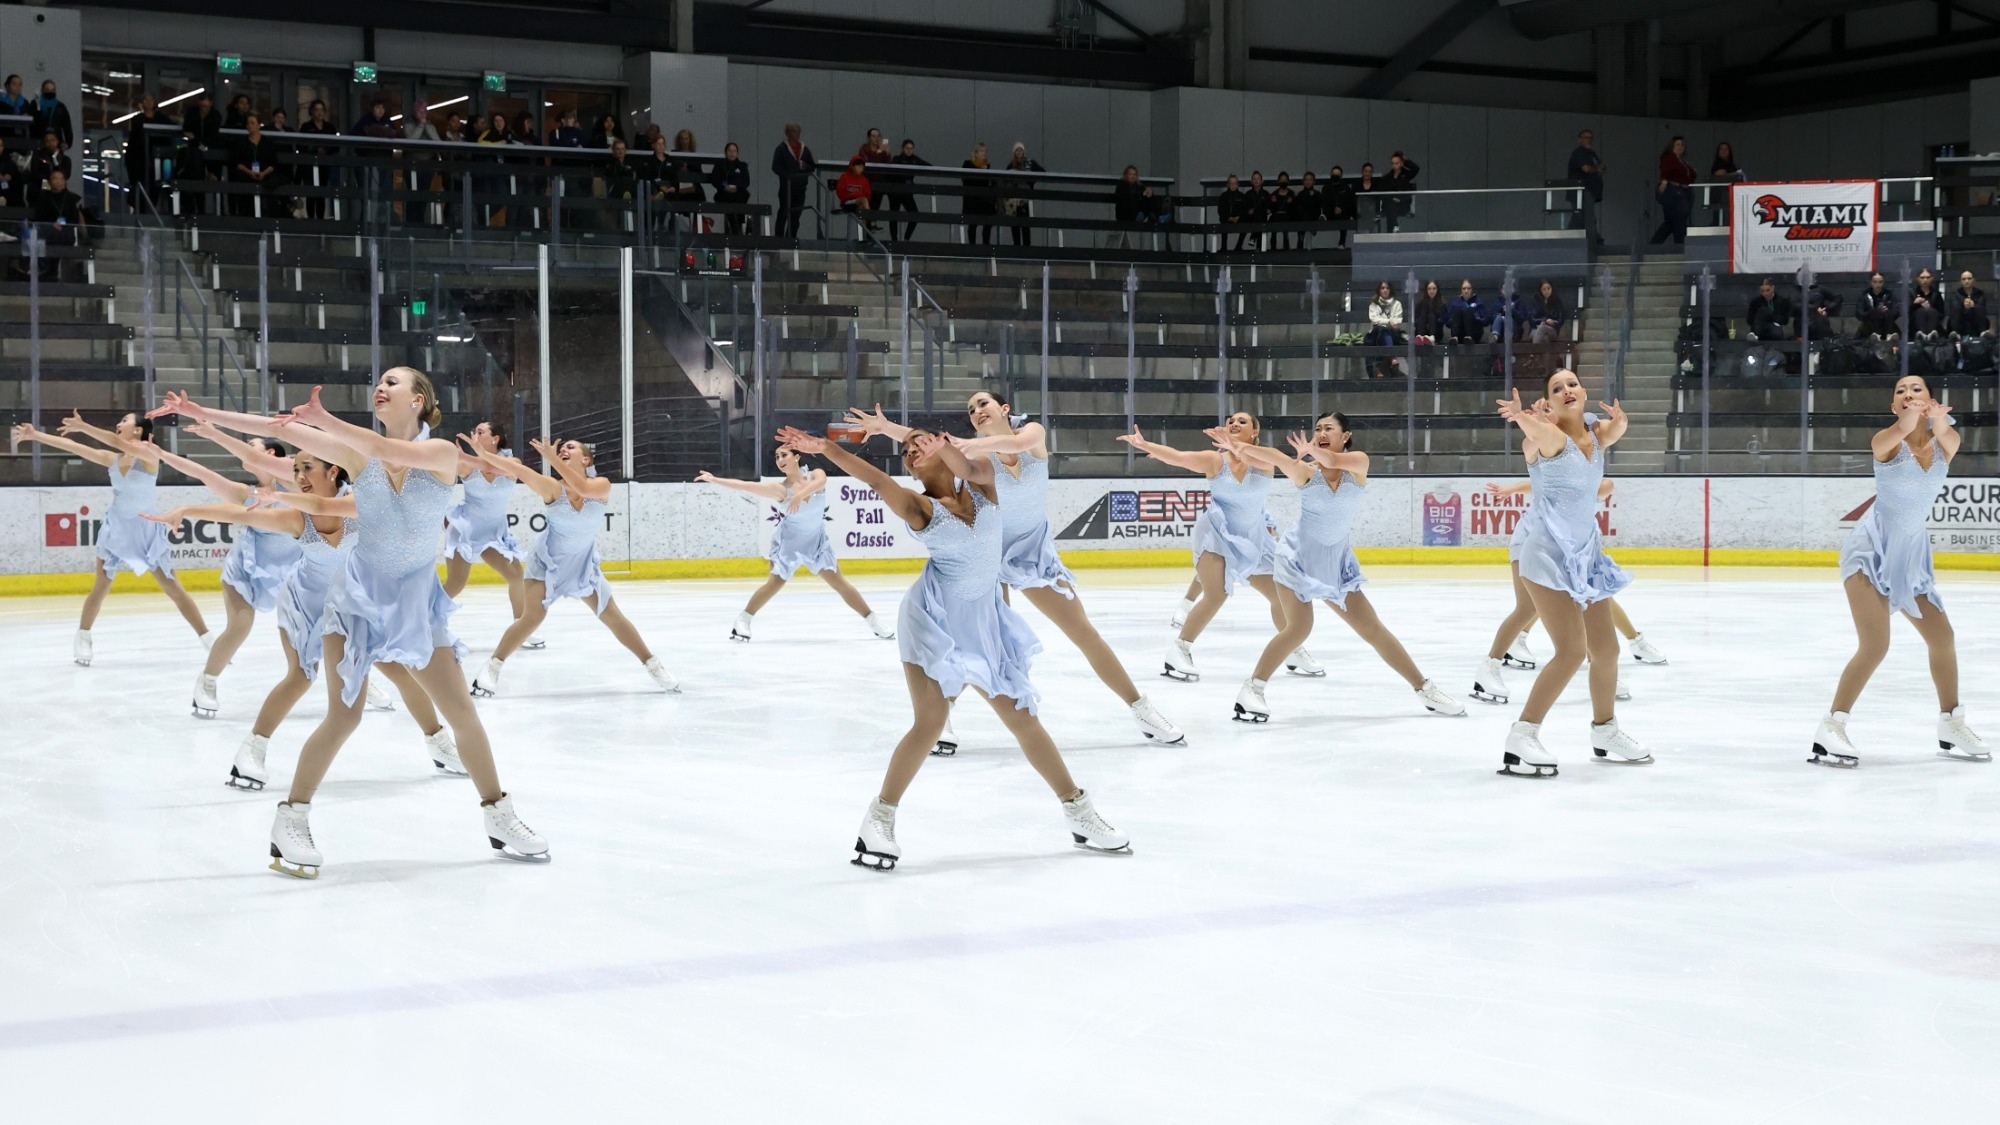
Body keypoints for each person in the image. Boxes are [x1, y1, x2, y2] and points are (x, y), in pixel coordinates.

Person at [148, 374, 550, 876]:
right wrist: (206, 416)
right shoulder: (358, 457)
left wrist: (325, 422)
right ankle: (290, 819)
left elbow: (387, 449)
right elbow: (285, 431)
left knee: (462, 714)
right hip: (355, 603)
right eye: (379, 382)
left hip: (417, 604)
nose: (380, 386)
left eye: (393, 382)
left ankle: (499, 814)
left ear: (418, 399)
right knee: (345, 716)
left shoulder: (442, 452)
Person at [772, 423, 1132, 871]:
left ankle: (1080, 813)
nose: (911, 450)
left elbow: (973, 461)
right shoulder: (919, 505)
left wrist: (944, 443)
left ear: (945, 444)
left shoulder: (985, 485)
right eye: (906, 450)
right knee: (931, 722)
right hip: (935, 619)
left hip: (985, 623)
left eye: (920, 440)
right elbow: (876, 480)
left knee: (1023, 717)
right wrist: (826, 448)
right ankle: (878, 819)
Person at [846, 395, 1184, 748]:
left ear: (1005, 409)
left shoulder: (1031, 435)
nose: (976, 412)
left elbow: (1015, 442)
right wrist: (889, 429)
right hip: (988, 557)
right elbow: (927, 445)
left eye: (982, 404)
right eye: (970, 410)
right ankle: (941, 717)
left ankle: (1141, 708)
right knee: (979, 644)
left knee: (1083, 632)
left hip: (1033, 554)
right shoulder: (974, 457)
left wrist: (959, 443)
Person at [145, 453, 466, 791]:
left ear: (333, 470)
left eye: (307, 468)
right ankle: (252, 750)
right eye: (295, 470)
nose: (299, 475)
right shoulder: (298, 519)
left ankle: (438, 741)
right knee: (300, 676)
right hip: (306, 606)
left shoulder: (361, 507)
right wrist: (186, 510)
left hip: (354, 605)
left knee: (399, 670)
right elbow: (240, 514)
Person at [1212, 415, 1464, 725]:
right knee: (1299, 628)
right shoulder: (1305, 472)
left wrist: (1311, 450)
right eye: (1317, 429)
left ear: (1346, 435)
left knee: (1373, 629)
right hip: (1297, 560)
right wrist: (1236, 445)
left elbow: (1331, 458)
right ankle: (1252, 689)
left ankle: (1425, 689)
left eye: (1327, 428)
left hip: (1336, 565)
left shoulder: (1357, 463)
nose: (1320, 433)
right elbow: (1276, 458)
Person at [1811, 375, 1982, 767]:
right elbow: (1905, 430)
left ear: (1931, 399)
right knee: (1876, 645)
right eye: (1901, 392)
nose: (1908, 394)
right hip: (1870, 550)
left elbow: (1947, 437)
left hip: (1911, 554)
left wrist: (1938, 422)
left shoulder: (1945, 446)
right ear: (1893, 407)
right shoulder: (1884, 441)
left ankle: (1951, 723)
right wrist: (1915, 418)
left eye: (1916, 389)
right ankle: (1832, 726)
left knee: (1943, 638)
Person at [1491, 374, 1651, 777]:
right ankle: (1523, 733)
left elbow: (1616, 430)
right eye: (1557, 388)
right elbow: (1534, 432)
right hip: (1546, 556)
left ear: (1583, 394)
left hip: (1586, 556)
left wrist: (1622, 420)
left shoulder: (1595, 439)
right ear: (1549, 402)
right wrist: (1519, 416)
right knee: (1571, 651)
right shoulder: (1549, 437)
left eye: (1572, 383)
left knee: (1608, 651)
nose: (1567, 390)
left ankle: (1605, 730)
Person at [464, 437, 679, 699]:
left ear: (586, 459)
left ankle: (653, 665)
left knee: (612, 616)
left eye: (571, 447)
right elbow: (519, 471)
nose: (564, 449)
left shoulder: (601, 486)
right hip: (548, 563)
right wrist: (481, 455)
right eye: (562, 447)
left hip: (582, 565)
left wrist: (553, 459)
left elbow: (582, 487)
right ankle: (492, 667)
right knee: (531, 618)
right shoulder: (553, 488)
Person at [1118, 414, 1318, 683]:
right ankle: (1179, 650)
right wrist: (1145, 445)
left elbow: (1266, 459)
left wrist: (1235, 446)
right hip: (1217, 533)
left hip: (1254, 539)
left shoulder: (1264, 461)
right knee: (1216, 594)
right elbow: (1177, 457)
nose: (1234, 423)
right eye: (1231, 421)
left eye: (1242, 422)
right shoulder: (1215, 461)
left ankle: (1291, 648)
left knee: (1280, 595)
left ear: (1255, 432)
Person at [11, 413, 211, 665]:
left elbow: (120, 444)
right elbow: (75, 447)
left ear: (138, 430)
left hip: (146, 531)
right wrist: (35, 435)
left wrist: (84, 426)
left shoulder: (150, 456)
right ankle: (83, 636)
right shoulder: (112, 460)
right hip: (115, 528)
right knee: (101, 585)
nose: (118, 424)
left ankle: (208, 639)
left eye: (125, 421)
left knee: (173, 588)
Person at [147, 422, 303, 719]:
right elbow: (201, 473)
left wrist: (216, 433)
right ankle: (207, 682)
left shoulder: (294, 484)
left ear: (271, 453)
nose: (245, 452)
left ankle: (356, 681)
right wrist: (161, 453)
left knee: (322, 628)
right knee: (240, 627)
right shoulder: (246, 493)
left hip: (292, 572)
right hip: (245, 569)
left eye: (253, 446)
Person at [1472, 472, 1657, 707]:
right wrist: (1512, 490)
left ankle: (1599, 669)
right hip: (1533, 541)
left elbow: (1601, 487)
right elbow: (1541, 483)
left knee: (1589, 602)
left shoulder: (1593, 479)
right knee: (1528, 607)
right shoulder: (1560, 468)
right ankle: (1490, 667)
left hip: (1571, 551)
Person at [695, 448, 894, 643]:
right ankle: (743, 619)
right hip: (790, 543)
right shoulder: (780, 489)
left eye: (784, 455)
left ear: (796, 457)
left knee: (840, 584)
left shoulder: (816, 473)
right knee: (775, 584)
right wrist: (715, 479)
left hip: (816, 541)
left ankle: (874, 622)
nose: (780, 459)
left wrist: (799, 495)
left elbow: (822, 482)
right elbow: (744, 486)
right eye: (777, 457)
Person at [441, 420, 533, 646]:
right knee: (456, 584)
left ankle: (520, 629)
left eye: (480, 432)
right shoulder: (468, 465)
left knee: (516, 576)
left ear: (496, 438)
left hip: (493, 534)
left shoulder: (513, 462)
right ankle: (422, 621)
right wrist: (460, 457)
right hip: (467, 530)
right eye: (474, 431)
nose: (475, 434)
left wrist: (475, 454)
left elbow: (495, 467)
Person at [229, 114, 283, 216]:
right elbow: (236, 161)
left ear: (259, 125)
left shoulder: (268, 142)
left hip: (264, 173)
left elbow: (273, 163)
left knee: (273, 181)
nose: (249, 125)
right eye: (248, 123)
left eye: (252, 123)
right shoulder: (241, 142)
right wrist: (249, 172)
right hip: (247, 173)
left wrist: (263, 173)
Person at [1650, 135, 1696, 247]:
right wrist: (1664, 181)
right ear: (1672, 147)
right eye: (1677, 145)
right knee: (1679, 220)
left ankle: (1654, 244)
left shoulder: (1682, 161)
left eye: (1682, 145)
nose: (1680, 147)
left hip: (1682, 192)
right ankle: (1680, 247)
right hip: (1674, 192)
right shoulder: (1669, 158)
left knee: (1671, 222)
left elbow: (1691, 176)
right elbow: (1665, 170)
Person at [296, 99, 337, 220]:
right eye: (316, 109)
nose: (319, 113)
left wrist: (326, 150)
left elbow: (336, 145)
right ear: (311, 112)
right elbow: (301, 145)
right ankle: (310, 219)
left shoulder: (330, 127)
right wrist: (314, 150)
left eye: (321, 110)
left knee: (321, 192)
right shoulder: (306, 127)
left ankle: (320, 219)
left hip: (324, 164)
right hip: (310, 165)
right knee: (311, 192)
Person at [770, 123, 813, 239]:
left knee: (796, 214)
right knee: (784, 211)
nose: (797, 134)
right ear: (788, 133)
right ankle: (779, 237)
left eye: (798, 131)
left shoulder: (805, 150)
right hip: (786, 186)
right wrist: (787, 175)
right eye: (794, 131)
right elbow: (775, 166)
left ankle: (791, 236)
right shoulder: (781, 149)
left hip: (801, 187)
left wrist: (805, 166)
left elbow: (812, 166)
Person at [125, 93, 165, 206]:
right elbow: (135, 141)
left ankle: (152, 208)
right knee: (141, 187)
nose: (149, 102)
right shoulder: (138, 120)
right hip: (140, 160)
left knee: (154, 186)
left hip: (155, 158)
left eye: (151, 99)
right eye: (146, 100)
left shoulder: (160, 118)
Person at [883, 138, 928, 240]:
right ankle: (894, 240)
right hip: (895, 192)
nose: (909, 150)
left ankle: (906, 239)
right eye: (907, 148)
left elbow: (928, 166)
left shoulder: (915, 159)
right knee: (894, 215)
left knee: (914, 215)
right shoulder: (897, 159)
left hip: (907, 192)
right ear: (903, 148)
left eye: (911, 148)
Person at [1000, 142, 1043, 247]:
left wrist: (1031, 182)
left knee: (1025, 223)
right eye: (1017, 150)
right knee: (1015, 224)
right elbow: (1005, 181)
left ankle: (1026, 247)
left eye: (1021, 150)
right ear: (1014, 153)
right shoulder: (1010, 165)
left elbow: (1042, 172)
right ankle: (1016, 247)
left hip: (1024, 199)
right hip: (1013, 200)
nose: (1019, 152)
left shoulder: (1030, 163)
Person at [1111, 164, 1162, 249]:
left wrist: (1150, 192)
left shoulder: (1138, 186)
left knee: (1150, 197)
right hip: (1125, 215)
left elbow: (1143, 193)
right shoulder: (1121, 186)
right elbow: (1126, 199)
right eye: (1130, 174)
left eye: (1134, 174)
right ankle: (1155, 216)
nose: (1132, 176)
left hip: (1137, 214)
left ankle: (1157, 215)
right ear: (1126, 175)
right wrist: (1141, 195)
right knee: (1140, 199)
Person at [711, 141, 752, 235]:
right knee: (728, 201)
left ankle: (741, 224)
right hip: (724, 192)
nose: (732, 153)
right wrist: (724, 187)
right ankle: (734, 225)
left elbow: (746, 181)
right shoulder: (720, 166)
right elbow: (715, 179)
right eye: (730, 150)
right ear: (726, 152)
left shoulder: (742, 166)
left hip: (739, 192)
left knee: (741, 197)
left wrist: (737, 187)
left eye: (734, 151)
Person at [961, 141, 996, 245]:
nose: (984, 153)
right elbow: (966, 181)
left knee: (988, 222)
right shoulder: (968, 164)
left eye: (985, 151)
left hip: (985, 200)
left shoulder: (987, 166)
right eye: (981, 151)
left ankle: (986, 245)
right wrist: (981, 171)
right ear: (976, 153)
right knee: (973, 224)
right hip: (972, 200)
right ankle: (973, 247)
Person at [834, 156, 874, 236]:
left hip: (859, 203)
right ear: (852, 166)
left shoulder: (864, 180)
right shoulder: (844, 177)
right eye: (859, 166)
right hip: (847, 203)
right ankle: (872, 222)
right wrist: (854, 195)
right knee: (863, 200)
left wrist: (858, 196)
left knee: (862, 209)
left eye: (862, 167)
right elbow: (840, 193)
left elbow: (868, 194)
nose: (861, 169)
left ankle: (863, 237)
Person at [1383, 150, 1419, 232]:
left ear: (1401, 163)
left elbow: (1416, 169)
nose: (1394, 166)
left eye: (1397, 163)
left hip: (1403, 204)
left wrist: (1405, 160)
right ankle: (1394, 228)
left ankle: (1393, 228)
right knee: (1390, 206)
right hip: (1390, 204)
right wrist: (1392, 198)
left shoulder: (1406, 175)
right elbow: (1383, 191)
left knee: (1390, 208)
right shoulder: (1387, 177)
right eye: (1393, 163)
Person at [1445, 279, 1491, 344]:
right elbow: (1447, 322)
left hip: (1474, 332)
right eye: (1464, 288)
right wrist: (1456, 320)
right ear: (1461, 290)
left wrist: (1476, 318)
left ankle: (1469, 337)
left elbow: (1487, 320)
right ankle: (1455, 337)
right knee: (1458, 311)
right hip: (1460, 333)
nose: (1466, 291)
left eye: (1468, 288)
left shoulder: (1479, 303)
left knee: (1468, 311)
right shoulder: (1455, 304)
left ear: (1472, 290)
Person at [33, 80, 73, 151]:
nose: (50, 92)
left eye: (53, 90)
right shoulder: (35, 104)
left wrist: (68, 143)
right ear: (42, 90)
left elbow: (67, 126)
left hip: (57, 144)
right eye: (47, 89)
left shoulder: (60, 107)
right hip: (38, 143)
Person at [1949, 270, 1992, 337]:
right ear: (1960, 281)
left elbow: (1983, 308)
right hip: (1961, 321)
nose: (1966, 281)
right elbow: (1953, 308)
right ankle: (1956, 333)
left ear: (1974, 280)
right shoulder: (1956, 294)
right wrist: (1963, 305)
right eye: (1964, 279)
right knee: (1956, 308)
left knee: (1979, 308)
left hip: (1975, 320)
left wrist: (1973, 305)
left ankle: (1982, 333)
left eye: (1969, 279)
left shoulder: (1980, 293)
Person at [1566, 129, 1604, 204]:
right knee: (1582, 214)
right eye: (1586, 138)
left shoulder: (1591, 153)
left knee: (1586, 213)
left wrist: (1600, 168)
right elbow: (1586, 168)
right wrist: (1597, 169)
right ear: (1580, 140)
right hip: (1581, 192)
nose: (1588, 140)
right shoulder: (1579, 152)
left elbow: (1600, 166)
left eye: (1590, 138)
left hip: (1590, 191)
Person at [1857, 273, 1899, 339]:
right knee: (1875, 313)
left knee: (1887, 313)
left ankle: (1889, 335)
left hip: (1886, 323)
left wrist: (1887, 311)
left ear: (1883, 282)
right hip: (1869, 327)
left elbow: (1896, 312)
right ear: (1871, 282)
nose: (1878, 284)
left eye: (1880, 282)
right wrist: (1872, 312)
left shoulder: (1889, 295)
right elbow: (1859, 314)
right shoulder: (1864, 295)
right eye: (1875, 282)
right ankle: (1876, 335)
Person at [1322, 165, 1355, 248]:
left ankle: (1342, 242)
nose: (1335, 176)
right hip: (1330, 213)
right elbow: (1324, 203)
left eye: (1337, 175)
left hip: (1343, 214)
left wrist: (1342, 209)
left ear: (1341, 176)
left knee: (1345, 219)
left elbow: (1349, 203)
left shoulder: (1346, 188)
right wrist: (1332, 210)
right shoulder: (1326, 188)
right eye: (1334, 174)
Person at [1526, 280, 1567, 344]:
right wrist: (1544, 321)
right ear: (1540, 290)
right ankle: (1542, 353)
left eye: (1548, 288)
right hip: (1535, 328)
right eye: (1544, 289)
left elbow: (1561, 319)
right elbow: (1531, 318)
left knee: (1543, 328)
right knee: (1544, 338)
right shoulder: (1535, 301)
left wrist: (1553, 323)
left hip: (1552, 329)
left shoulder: (1557, 302)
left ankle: (1534, 352)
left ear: (1552, 289)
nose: (1546, 291)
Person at [1217, 174, 1249, 251]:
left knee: (1246, 221)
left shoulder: (1242, 196)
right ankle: (1223, 247)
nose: (1233, 185)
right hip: (1226, 219)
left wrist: (1238, 217)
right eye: (1231, 183)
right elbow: (1221, 210)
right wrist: (1228, 218)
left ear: (1238, 185)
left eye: (1235, 183)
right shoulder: (1223, 196)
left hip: (1239, 219)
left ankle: (1239, 245)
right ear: (1227, 184)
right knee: (1223, 222)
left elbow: (1244, 209)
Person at [1909, 268, 1943, 338]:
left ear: (1932, 279)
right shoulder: (1912, 293)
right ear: (1917, 279)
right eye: (1922, 277)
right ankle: (1922, 334)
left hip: (1934, 324)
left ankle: (1931, 335)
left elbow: (1942, 313)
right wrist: (1915, 304)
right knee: (1920, 311)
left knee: (1932, 311)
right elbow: (1907, 313)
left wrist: (1930, 309)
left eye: (1928, 277)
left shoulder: (1936, 294)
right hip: (1915, 326)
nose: (1925, 280)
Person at [1293, 170, 1322, 249]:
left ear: (1314, 181)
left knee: (1308, 241)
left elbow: (1318, 208)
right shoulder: (1299, 195)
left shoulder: (1317, 194)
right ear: (1303, 181)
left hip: (1312, 221)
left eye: (1310, 179)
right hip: (1301, 221)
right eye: (1306, 179)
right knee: (1300, 240)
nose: (1308, 182)